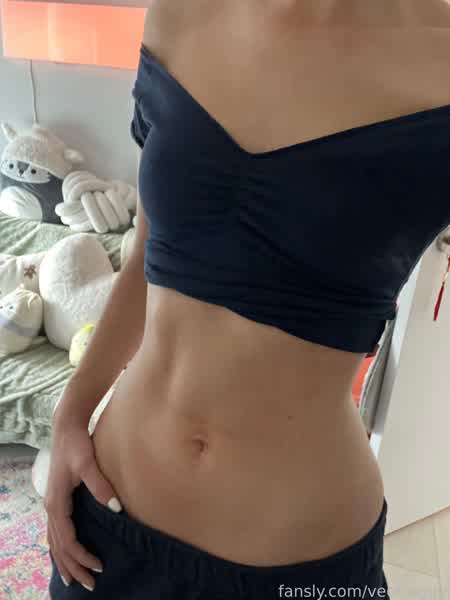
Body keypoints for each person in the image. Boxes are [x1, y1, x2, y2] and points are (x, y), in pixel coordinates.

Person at [46, 1, 450, 598]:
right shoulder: (182, 14)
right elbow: (148, 257)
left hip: (300, 563)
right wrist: (69, 416)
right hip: (110, 525)